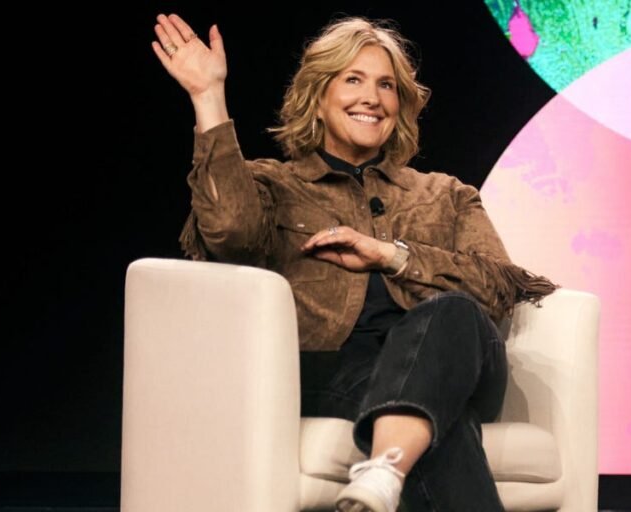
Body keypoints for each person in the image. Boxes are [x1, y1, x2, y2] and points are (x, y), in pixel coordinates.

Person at [152, 13, 556, 512]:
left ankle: (384, 464)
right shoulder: (275, 186)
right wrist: (208, 96)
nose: (372, 97)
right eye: (353, 80)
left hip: (458, 360)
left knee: (452, 312)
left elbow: (497, 286)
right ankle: (385, 470)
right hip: (339, 373)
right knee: (443, 427)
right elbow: (230, 234)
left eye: (386, 85)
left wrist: (391, 255)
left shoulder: (446, 194)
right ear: (318, 97)